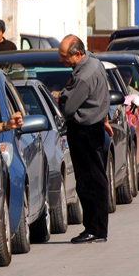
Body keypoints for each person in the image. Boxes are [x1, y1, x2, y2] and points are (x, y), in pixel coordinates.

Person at [51, 35, 110, 244]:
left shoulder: (84, 75)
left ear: (77, 54)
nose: (61, 60)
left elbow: (67, 107)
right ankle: (95, 227)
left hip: (85, 132)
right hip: (92, 128)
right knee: (93, 180)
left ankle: (95, 229)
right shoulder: (94, 63)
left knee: (90, 182)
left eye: (64, 56)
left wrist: (61, 95)